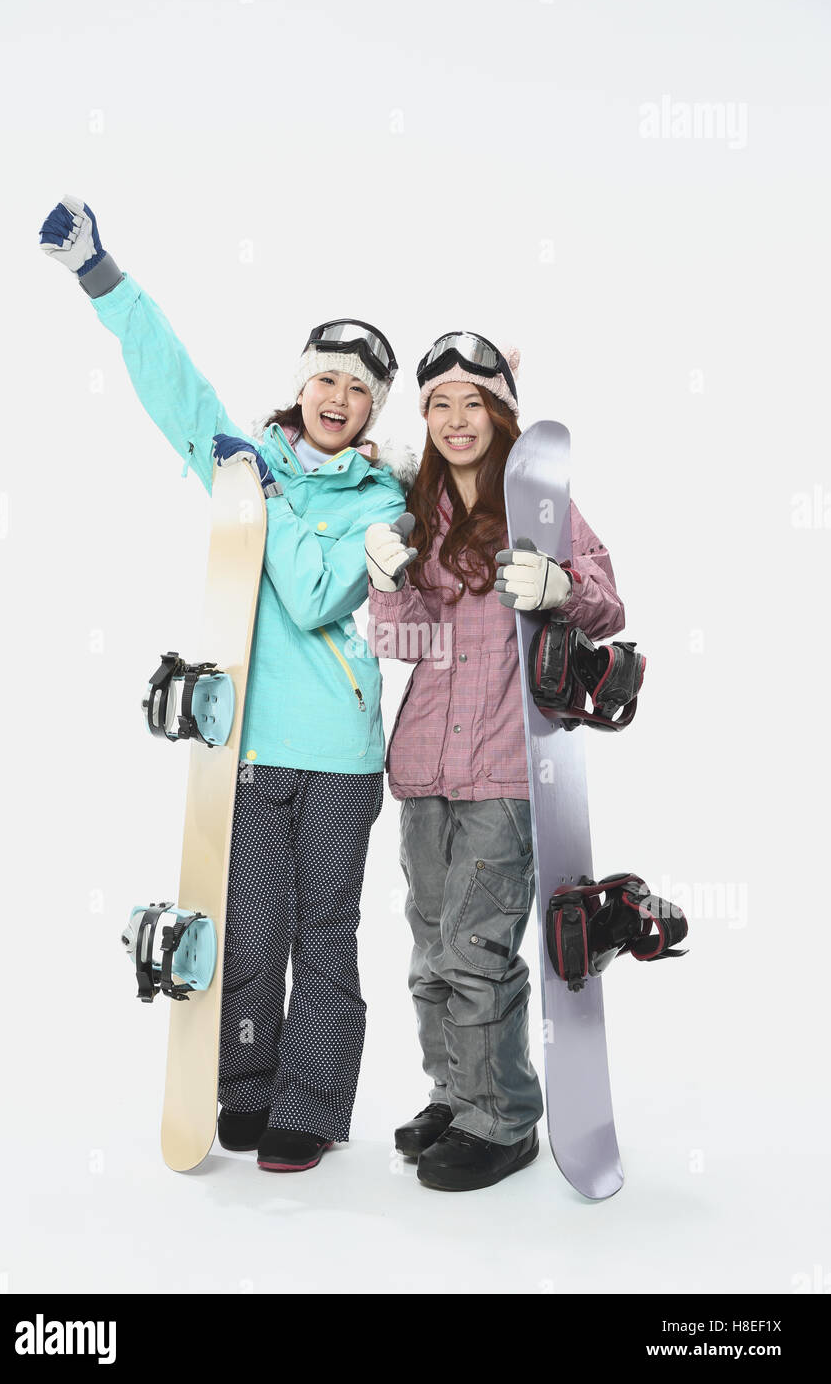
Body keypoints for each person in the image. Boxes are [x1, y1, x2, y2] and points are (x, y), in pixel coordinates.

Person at [40, 195, 415, 1172]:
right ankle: (245, 1083)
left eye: (357, 388)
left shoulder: (381, 498)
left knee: (324, 937)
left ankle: (309, 1103)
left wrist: (281, 500)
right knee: (249, 930)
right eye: (324, 378)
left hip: (338, 755)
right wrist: (101, 277)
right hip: (245, 746)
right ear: (300, 386)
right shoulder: (243, 465)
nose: (337, 395)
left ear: (374, 410)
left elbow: (315, 588)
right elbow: (178, 390)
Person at [364, 332, 625, 1191]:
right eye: (438, 403)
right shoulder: (420, 512)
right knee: (429, 951)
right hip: (426, 767)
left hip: (506, 771)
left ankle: (503, 1117)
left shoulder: (539, 508)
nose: (454, 419)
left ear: (502, 412)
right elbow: (401, 642)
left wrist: (558, 585)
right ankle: (454, 1091)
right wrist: (391, 581)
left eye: (472, 401)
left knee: (478, 950)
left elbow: (606, 603)